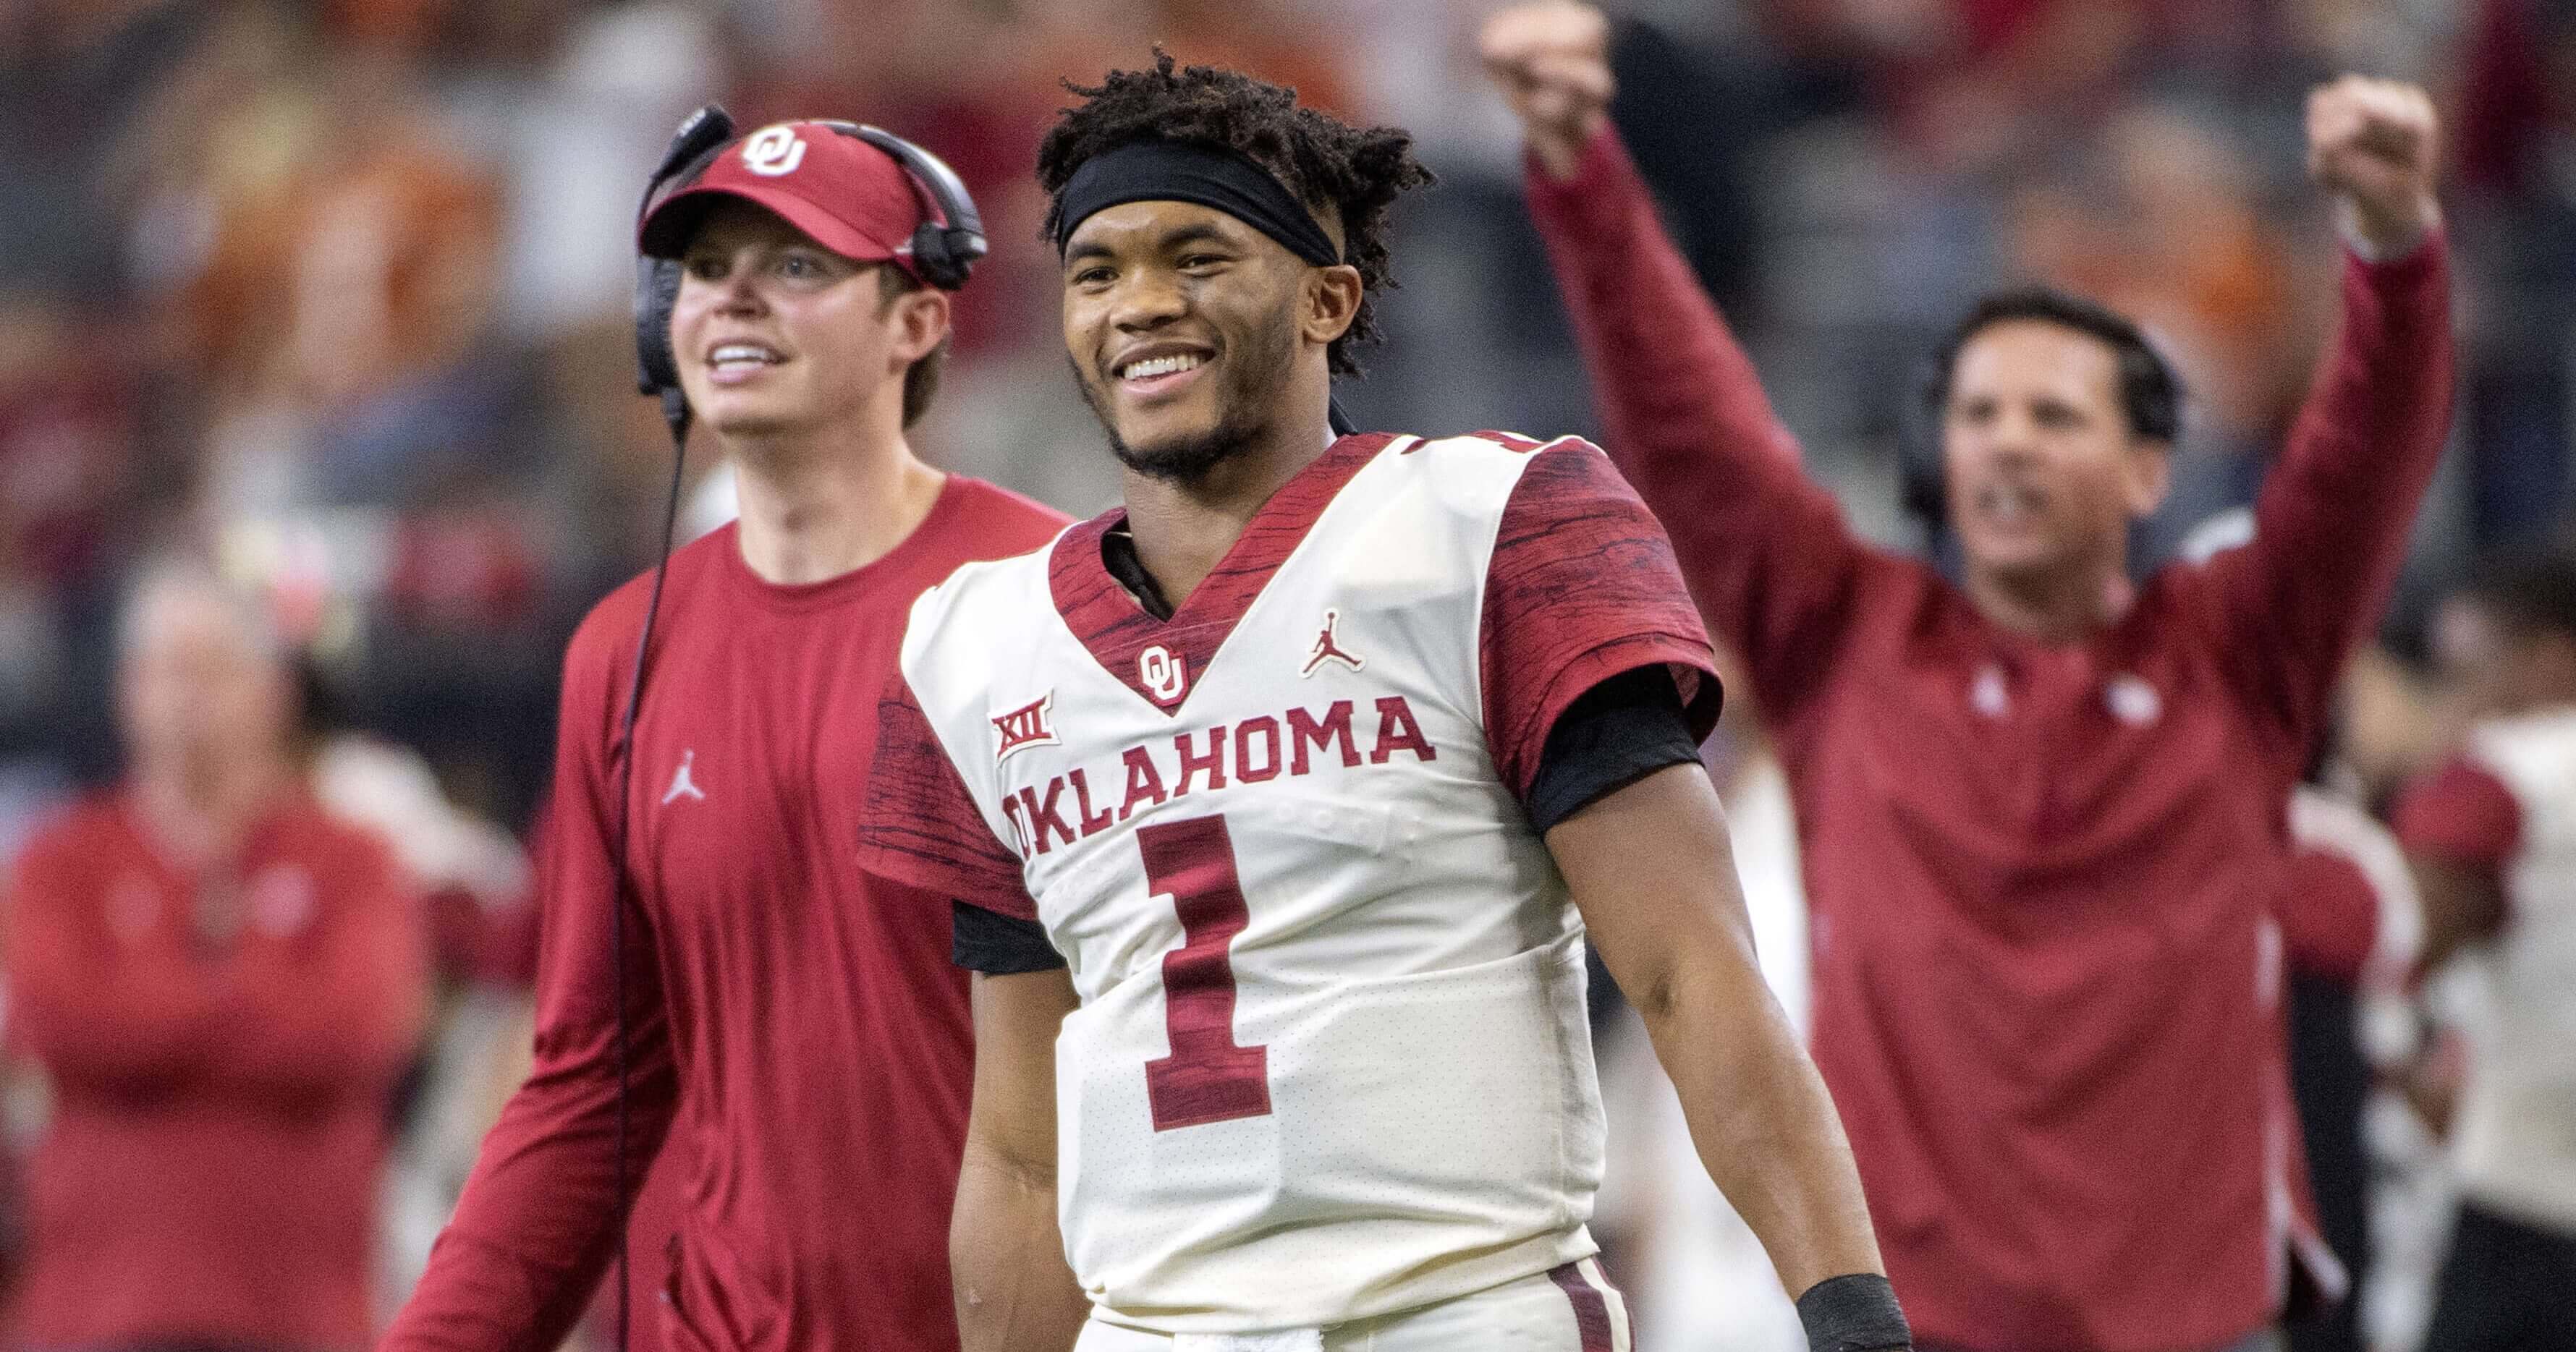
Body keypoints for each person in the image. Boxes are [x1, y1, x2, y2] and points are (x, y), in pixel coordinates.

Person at [858, 53, 1913, 1352]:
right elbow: (1021, 1148)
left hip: (1455, 1307)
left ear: (1326, 295)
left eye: (1196, 256)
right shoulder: (980, 646)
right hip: (1156, 1327)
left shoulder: (1491, 528)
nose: (1140, 303)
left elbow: (1692, 975)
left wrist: (1851, 1312)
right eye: (1099, 269)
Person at [1480, 5, 2454, 1349]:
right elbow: (1690, 419)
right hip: (1920, 1327)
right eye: (1978, 414)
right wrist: (1584, 174)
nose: (2005, 444)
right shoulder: (1844, 643)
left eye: (2055, 415)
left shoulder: (2242, 654)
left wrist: (2396, 253)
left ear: (2148, 471)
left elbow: (2363, 462)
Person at [381, 117, 1067, 1351]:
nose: (737, 292)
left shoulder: (1053, 591)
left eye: (801, 265)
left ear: (917, 320)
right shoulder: (622, 650)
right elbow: (591, 1084)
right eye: (705, 267)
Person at [3, 560, 431, 1351]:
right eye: (167, 669)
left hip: (298, 1313)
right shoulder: (62, 861)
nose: (186, 696)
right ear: (126, 688)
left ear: (273, 690)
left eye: (212, 669)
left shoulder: (351, 861)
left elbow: (357, 1033)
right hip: (97, 1312)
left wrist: (145, 1014)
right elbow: (56, 1021)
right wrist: (249, 1001)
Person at [2388, 543, 2576, 1351]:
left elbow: (2386, 944)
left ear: (2544, 664)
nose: (2447, 707)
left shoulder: (2506, 776)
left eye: (2467, 674)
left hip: (2522, 1219)